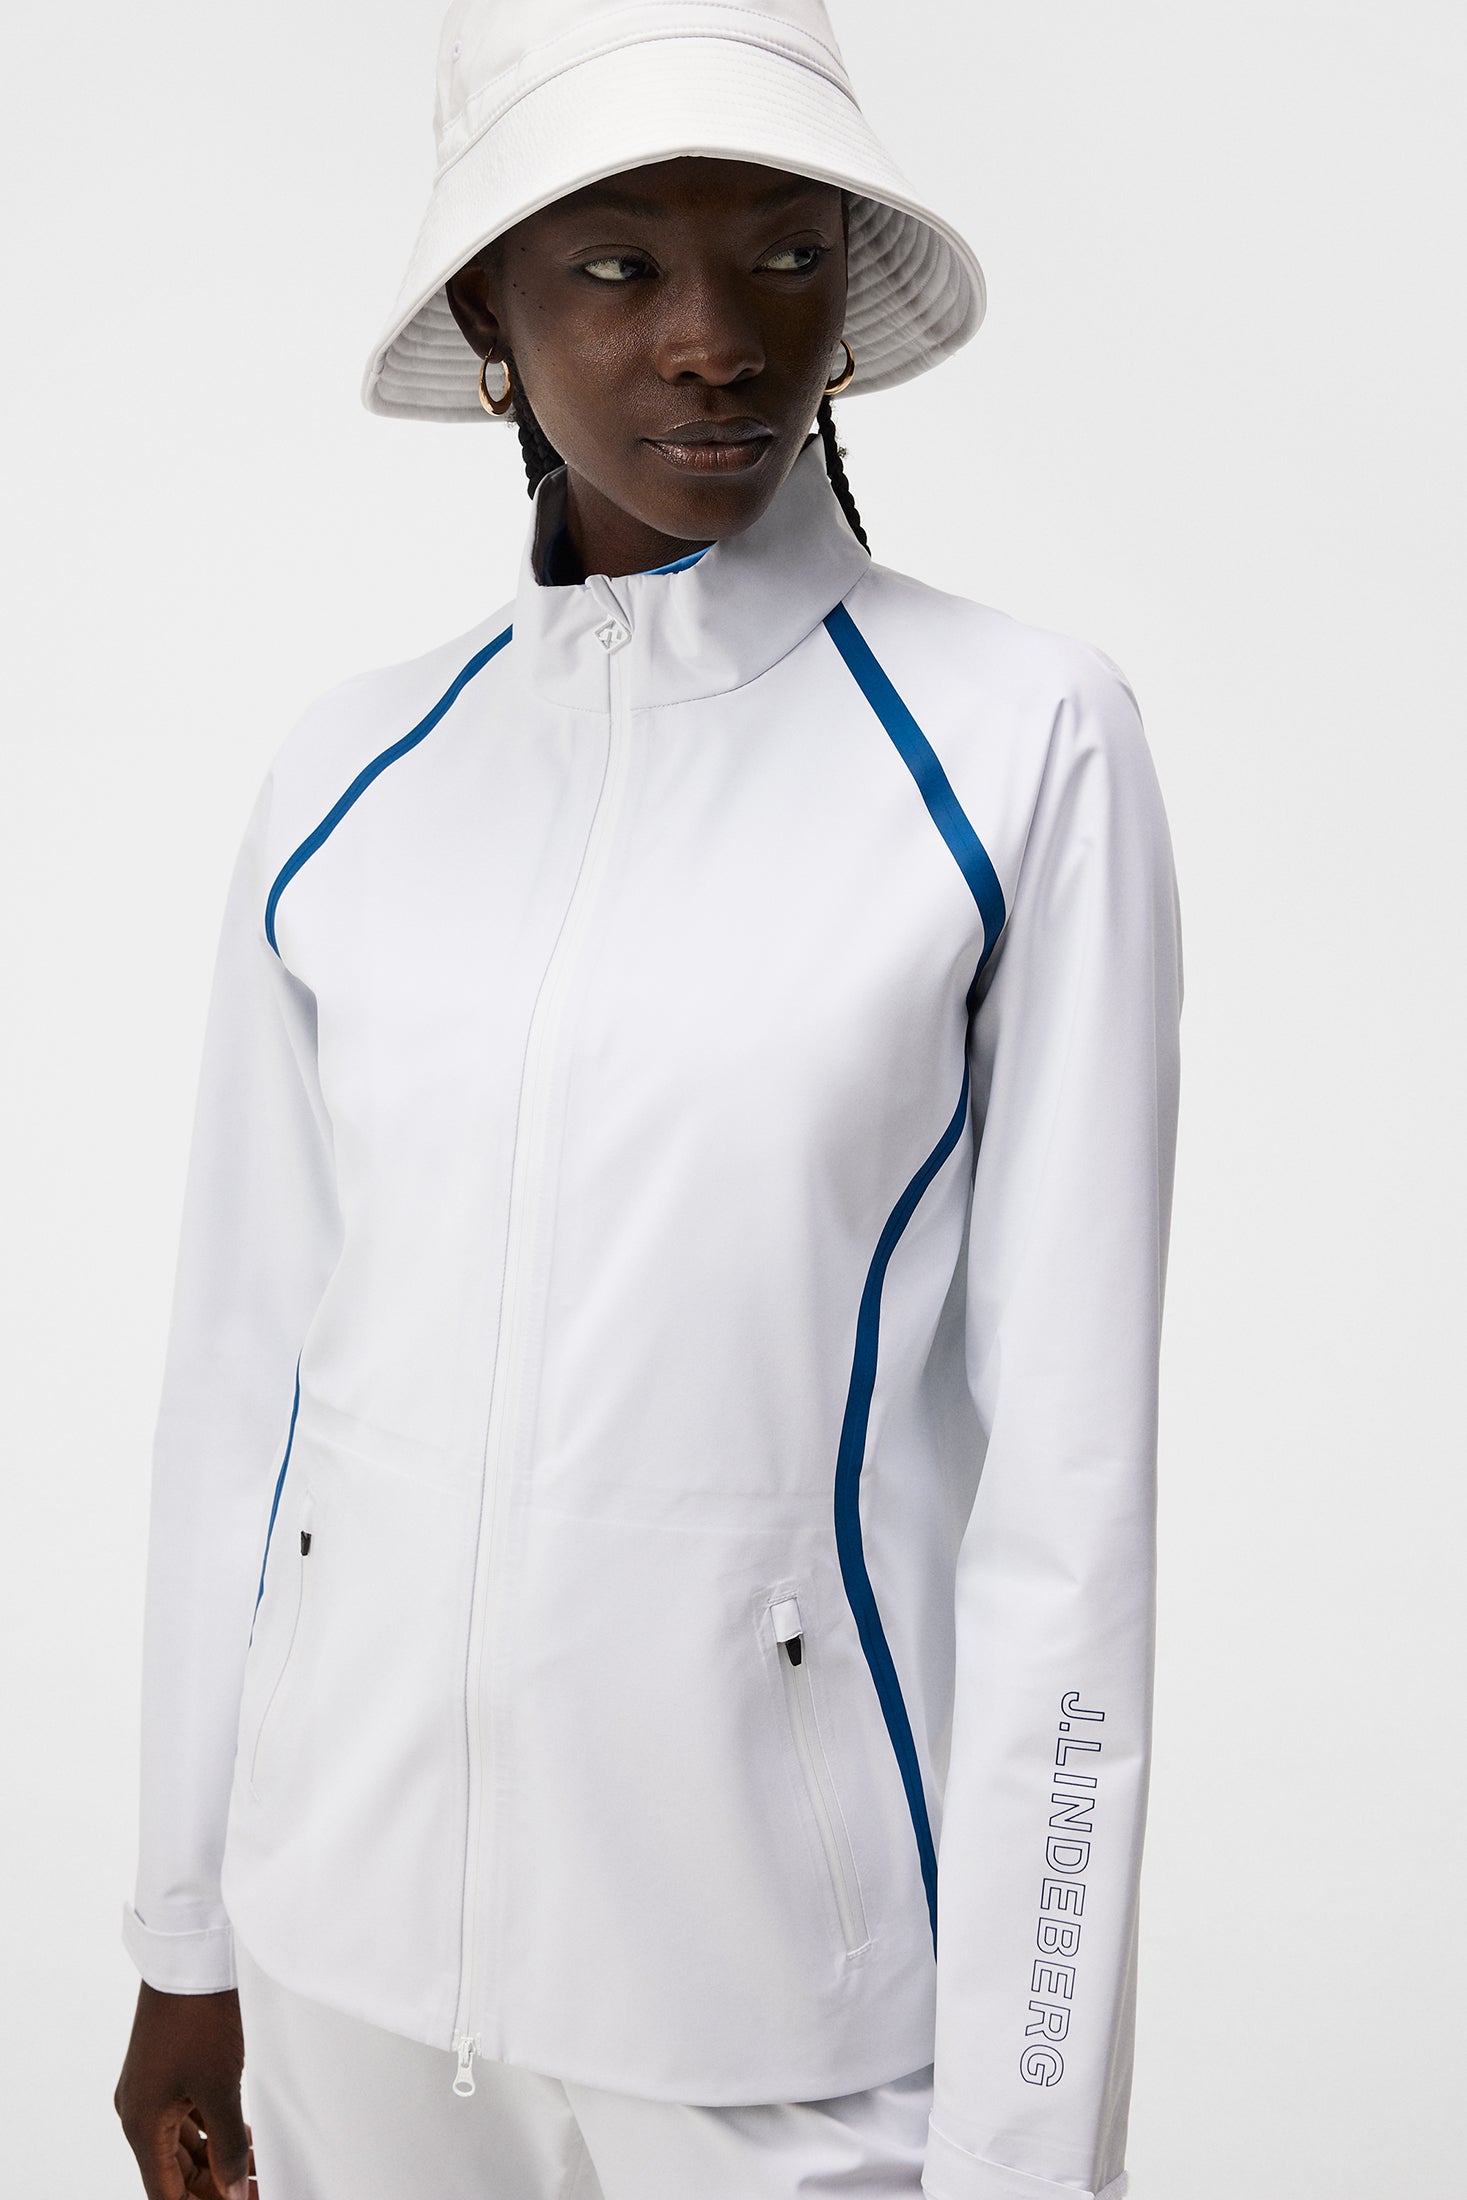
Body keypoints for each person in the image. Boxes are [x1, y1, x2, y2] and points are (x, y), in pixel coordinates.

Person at [113, 1, 1183, 2196]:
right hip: (344, 1978)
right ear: (488, 319)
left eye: (786, 253)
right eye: (615, 266)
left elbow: (1069, 1509)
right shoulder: (352, 774)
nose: (717, 340)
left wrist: (1027, 2136)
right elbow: (246, 1393)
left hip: (779, 2013)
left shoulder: (1015, 745)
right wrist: (187, 1933)